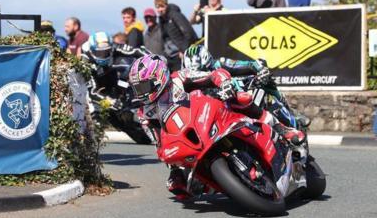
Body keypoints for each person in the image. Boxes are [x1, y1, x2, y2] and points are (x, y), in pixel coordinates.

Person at [128, 54, 305, 199]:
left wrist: (224, 84)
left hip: (213, 108)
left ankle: (282, 128)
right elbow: (158, 141)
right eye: (138, 89)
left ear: (159, 77)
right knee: (171, 165)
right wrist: (172, 164)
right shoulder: (146, 111)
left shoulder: (179, 79)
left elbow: (213, 75)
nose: (141, 93)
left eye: (144, 86)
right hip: (188, 133)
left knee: (241, 98)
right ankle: (196, 177)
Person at [182, 44, 306, 128]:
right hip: (216, 115)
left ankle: (290, 115)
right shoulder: (186, 82)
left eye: (204, 71)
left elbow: (249, 65)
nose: (202, 76)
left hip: (240, 100)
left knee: (265, 86)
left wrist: (260, 69)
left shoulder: (221, 64)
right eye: (196, 74)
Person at [82, 31, 149, 108]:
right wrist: (110, 101)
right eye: (99, 53)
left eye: (106, 52)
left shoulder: (114, 46)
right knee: (93, 107)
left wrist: (153, 59)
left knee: (125, 80)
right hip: (96, 86)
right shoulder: (86, 61)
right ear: (92, 50)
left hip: (112, 77)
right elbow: (92, 92)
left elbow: (135, 51)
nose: (103, 55)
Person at [154, 0, 198, 72]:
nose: (160, 9)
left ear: (166, 6)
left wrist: (183, 50)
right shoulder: (162, 20)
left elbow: (189, 33)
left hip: (181, 55)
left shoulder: (175, 15)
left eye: (162, 6)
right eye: (158, 7)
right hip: (170, 56)